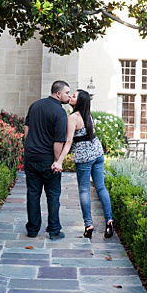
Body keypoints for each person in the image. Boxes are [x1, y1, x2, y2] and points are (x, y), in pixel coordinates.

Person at [52, 89, 114, 238]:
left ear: (79, 101)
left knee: (84, 191)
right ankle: (109, 220)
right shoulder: (88, 114)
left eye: (73, 96)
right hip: (98, 154)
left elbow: (68, 142)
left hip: (84, 158)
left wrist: (59, 161)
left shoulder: (73, 117)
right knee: (101, 187)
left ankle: (89, 225)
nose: (71, 97)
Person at [23, 81, 70, 240]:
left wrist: (29, 147)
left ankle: (32, 229)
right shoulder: (60, 112)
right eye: (67, 93)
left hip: (31, 157)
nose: (69, 96)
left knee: (33, 193)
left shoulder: (35, 105)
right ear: (58, 94)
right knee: (53, 194)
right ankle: (54, 231)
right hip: (48, 160)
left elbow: (27, 129)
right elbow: (58, 143)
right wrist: (58, 162)